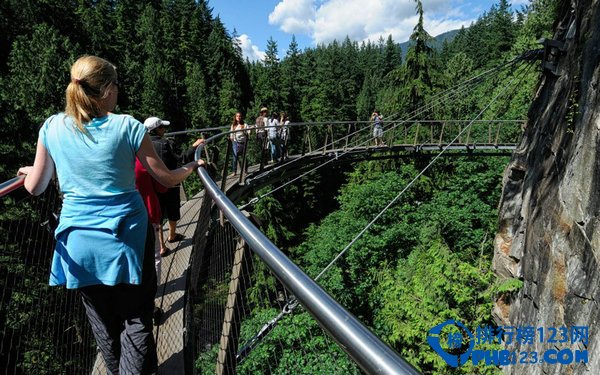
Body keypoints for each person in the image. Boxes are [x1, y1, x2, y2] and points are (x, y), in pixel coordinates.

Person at [17, 55, 204, 375]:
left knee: (104, 324)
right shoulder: (127, 126)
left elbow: (35, 187)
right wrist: (191, 166)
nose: (118, 90)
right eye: (115, 84)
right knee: (136, 320)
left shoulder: (52, 126)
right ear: (105, 91)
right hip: (126, 238)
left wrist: (32, 170)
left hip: (78, 244)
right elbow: (165, 178)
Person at [144, 116, 204, 244]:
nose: (164, 129)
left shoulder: (142, 146)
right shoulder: (167, 144)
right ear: (157, 129)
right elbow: (182, 158)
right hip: (170, 183)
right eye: (162, 127)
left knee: (158, 213)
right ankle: (172, 236)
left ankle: (160, 245)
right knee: (172, 208)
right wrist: (194, 147)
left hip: (152, 185)